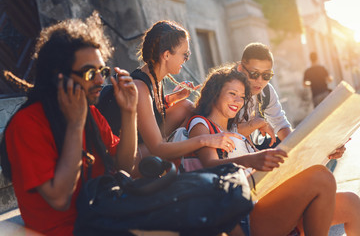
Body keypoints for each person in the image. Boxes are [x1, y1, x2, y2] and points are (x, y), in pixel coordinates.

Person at [0, 12, 138, 236]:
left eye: (102, 71)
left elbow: (124, 165)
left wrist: (130, 111)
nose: (100, 80)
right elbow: (60, 198)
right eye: (90, 72)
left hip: (104, 218)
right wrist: (75, 126)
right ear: (59, 76)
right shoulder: (27, 124)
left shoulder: (91, 113)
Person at [188, 63, 360, 236]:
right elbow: (211, 164)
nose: (238, 101)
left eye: (242, 96)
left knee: (352, 203)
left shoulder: (236, 133)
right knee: (322, 177)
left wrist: (325, 150)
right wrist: (250, 160)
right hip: (245, 213)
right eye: (232, 94)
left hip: (268, 200)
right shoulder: (202, 125)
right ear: (215, 94)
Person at [98, 20, 242, 176]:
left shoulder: (155, 79)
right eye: (185, 55)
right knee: (177, 139)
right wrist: (206, 139)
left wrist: (171, 99)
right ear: (166, 55)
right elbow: (157, 148)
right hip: (121, 162)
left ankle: (196, 153)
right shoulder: (140, 86)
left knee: (186, 106)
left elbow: (149, 110)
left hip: (143, 145)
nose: (186, 60)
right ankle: (193, 160)